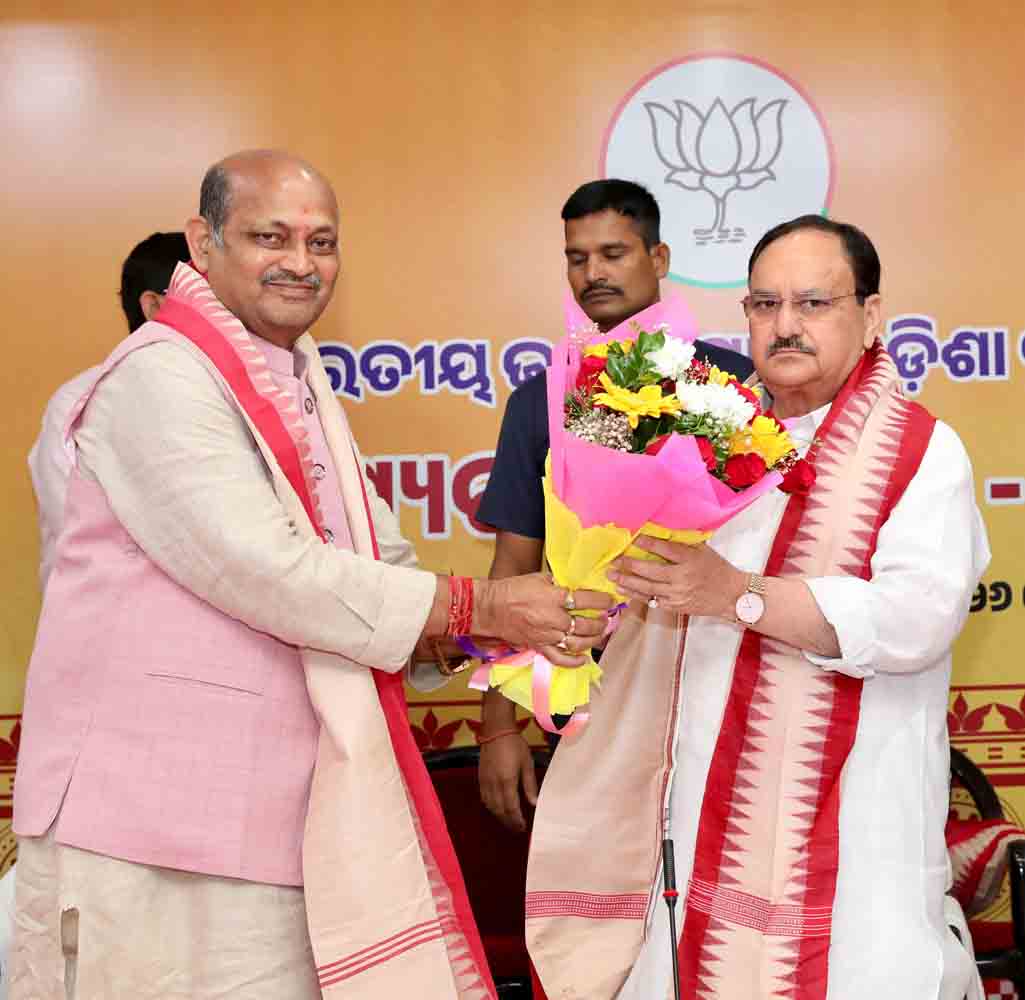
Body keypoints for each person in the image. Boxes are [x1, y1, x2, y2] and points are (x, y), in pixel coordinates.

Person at [10, 149, 611, 1000]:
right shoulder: (158, 378)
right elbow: (264, 571)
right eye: (271, 236)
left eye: (321, 241)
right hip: (153, 825)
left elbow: (372, 564)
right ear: (203, 241)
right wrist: (484, 604)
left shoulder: (293, 379)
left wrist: (490, 628)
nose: (301, 261)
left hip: (270, 814)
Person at [524, 214, 990, 1000]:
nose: (784, 326)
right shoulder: (703, 433)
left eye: (813, 304)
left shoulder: (920, 451)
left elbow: (914, 621)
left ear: (869, 315)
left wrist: (736, 595)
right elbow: (652, 589)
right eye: (763, 305)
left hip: (852, 833)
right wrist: (591, 605)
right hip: (696, 816)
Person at [475, 179, 754, 831]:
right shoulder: (541, 400)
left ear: (657, 259)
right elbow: (513, 566)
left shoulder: (726, 386)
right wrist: (497, 726)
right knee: (600, 895)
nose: (593, 272)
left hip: (713, 677)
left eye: (613, 253)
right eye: (577, 258)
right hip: (583, 682)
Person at [27, 232, 191, 590]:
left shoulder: (232, 396)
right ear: (154, 306)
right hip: (109, 623)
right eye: (211, 300)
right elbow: (78, 533)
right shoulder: (78, 403)